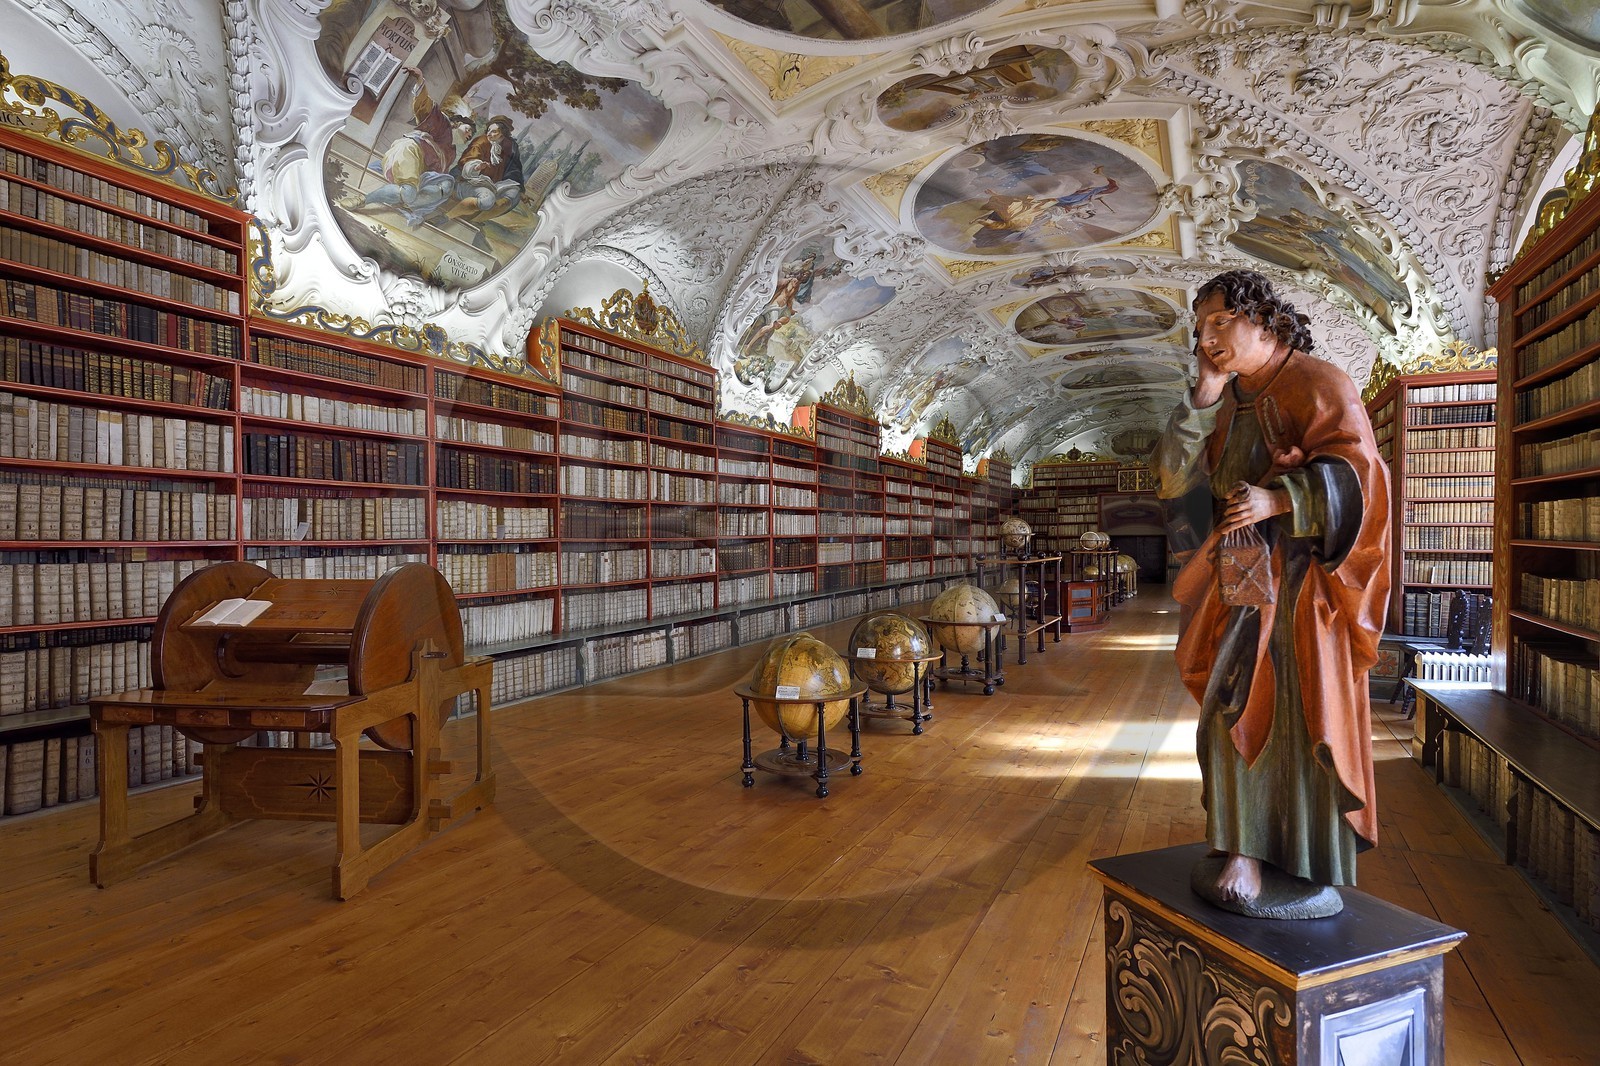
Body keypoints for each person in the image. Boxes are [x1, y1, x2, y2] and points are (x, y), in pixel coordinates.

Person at [1150, 269, 1391, 918]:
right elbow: (1179, 488)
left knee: (1294, 719)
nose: (1208, 338)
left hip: (1307, 592)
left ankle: (1292, 858)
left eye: (1220, 322)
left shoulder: (1320, 383)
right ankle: (1240, 847)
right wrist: (1203, 399)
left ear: (1263, 318)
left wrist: (1279, 497)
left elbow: (1364, 483)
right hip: (1240, 582)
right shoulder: (1226, 402)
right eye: (1200, 330)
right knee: (1227, 715)